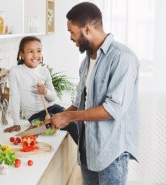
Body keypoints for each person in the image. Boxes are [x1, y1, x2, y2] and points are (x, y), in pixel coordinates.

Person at [39, 2, 140, 185]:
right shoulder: (86, 62)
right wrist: (59, 117)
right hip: (88, 148)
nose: (70, 37)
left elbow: (113, 109)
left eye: (72, 31)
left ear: (86, 29)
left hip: (111, 151)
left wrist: (68, 117)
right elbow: (80, 102)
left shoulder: (122, 58)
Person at [3, 36, 79, 144]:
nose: (35, 55)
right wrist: (16, 123)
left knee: (73, 120)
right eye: (30, 51)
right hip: (36, 115)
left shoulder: (44, 71)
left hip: (53, 107)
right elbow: (15, 97)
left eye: (38, 51)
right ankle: (86, 157)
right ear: (22, 54)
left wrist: (45, 91)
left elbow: (53, 97)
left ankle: (85, 155)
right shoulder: (15, 72)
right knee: (71, 125)